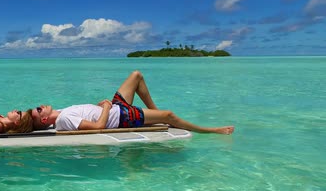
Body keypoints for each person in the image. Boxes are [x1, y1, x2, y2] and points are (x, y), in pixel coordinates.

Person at [31, 70, 234, 135]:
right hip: (122, 117)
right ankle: (211, 130)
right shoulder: (64, 119)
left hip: (115, 108)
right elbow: (98, 127)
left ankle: (156, 113)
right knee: (170, 115)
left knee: (136, 75)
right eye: (39, 110)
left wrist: (101, 106)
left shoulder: (60, 111)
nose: (41, 105)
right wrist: (107, 107)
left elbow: (88, 114)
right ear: (45, 118)